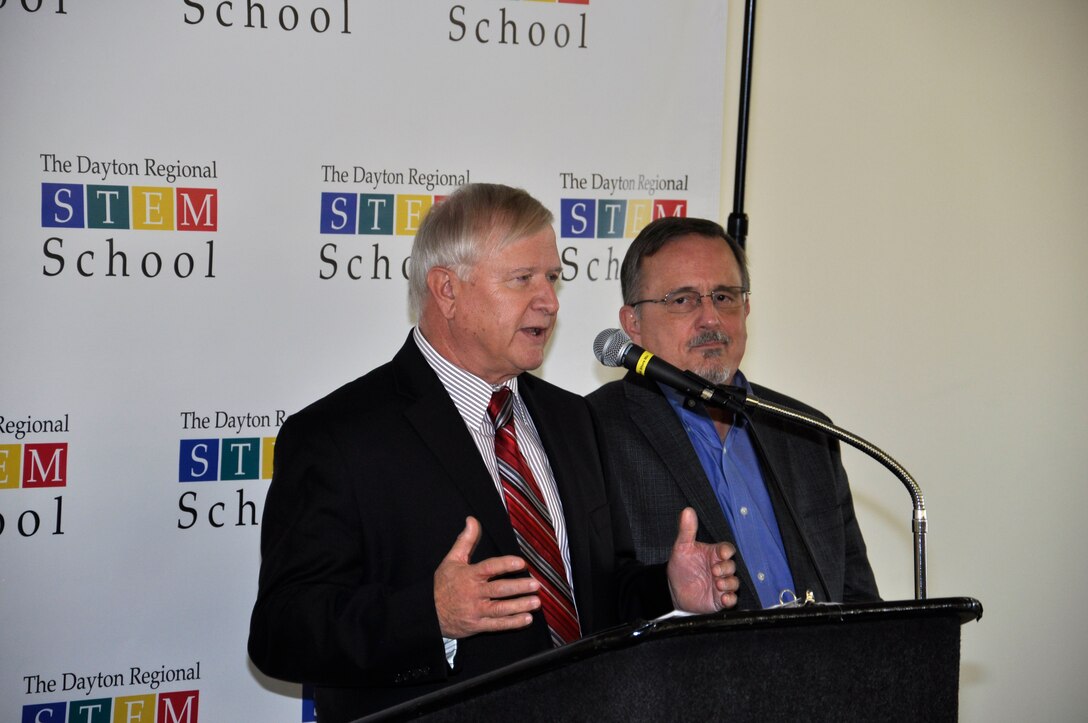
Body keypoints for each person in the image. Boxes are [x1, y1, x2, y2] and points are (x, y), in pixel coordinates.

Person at [248, 185, 740, 722]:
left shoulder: (571, 419)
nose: (549, 301)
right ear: (447, 290)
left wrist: (666, 587)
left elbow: (599, 594)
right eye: (522, 279)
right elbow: (282, 631)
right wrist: (429, 615)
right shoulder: (340, 435)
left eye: (552, 278)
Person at [586, 216, 879, 611]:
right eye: (683, 300)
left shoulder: (805, 430)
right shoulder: (591, 431)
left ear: (747, 308)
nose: (711, 318)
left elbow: (859, 602)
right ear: (632, 324)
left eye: (724, 297)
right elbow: (588, 606)